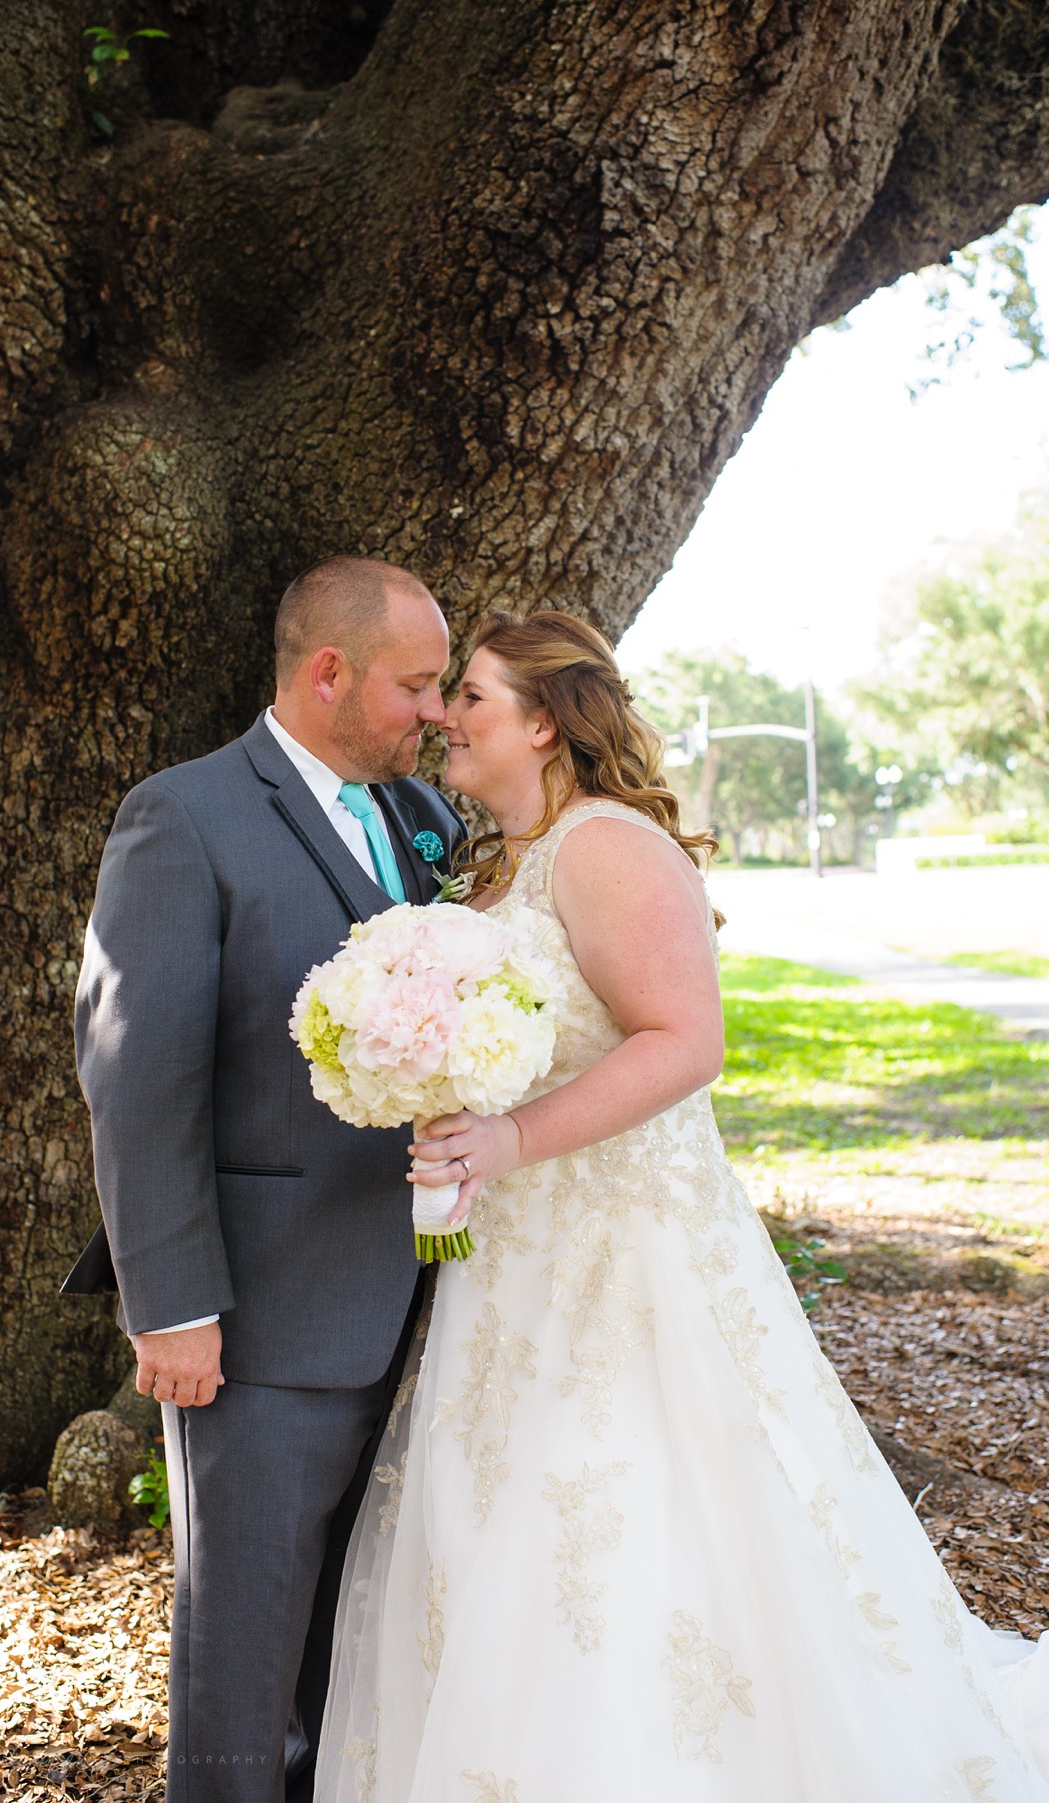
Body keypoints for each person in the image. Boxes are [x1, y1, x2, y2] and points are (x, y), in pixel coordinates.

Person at [315, 610, 1049, 1802]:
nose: (448, 713)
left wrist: (508, 1135)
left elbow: (685, 1044)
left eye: (476, 698)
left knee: (629, 1513)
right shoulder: (492, 862)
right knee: (497, 1522)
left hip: (625, 1259)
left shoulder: (606, 848)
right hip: (509, 1261)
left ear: (544, 722)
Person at [63, 555, 465, 1803]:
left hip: (427, 1302)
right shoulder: (184, 815)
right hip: (264, 1317)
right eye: (417, 684)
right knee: (243, 1645)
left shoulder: (421, 824)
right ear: (328, 672)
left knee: (354, 1635)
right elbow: (137, 1072)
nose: (437, 712)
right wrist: (171, 1303)